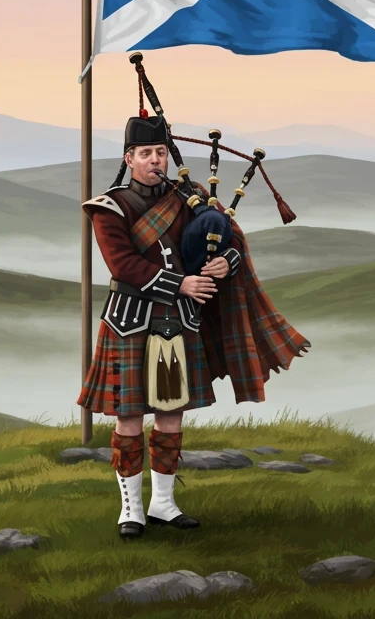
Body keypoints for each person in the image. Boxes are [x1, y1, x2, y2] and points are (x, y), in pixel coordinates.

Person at [77, 113, 310, 541]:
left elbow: (230, 238)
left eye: (160, 152)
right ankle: (131, 509)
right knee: (129, 417)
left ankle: (163, 504)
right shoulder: (109, 207)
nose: (155, 160)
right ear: (129, 159)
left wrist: (225, 261)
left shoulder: (191, 196)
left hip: (175, 321)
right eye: (145, 153)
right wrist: (181, 283)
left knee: (170, 414)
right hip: (130, 321)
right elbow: (122, 265)